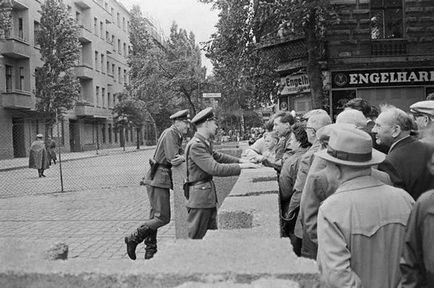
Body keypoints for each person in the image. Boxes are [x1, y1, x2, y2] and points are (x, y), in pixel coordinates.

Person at [316, 126, 414, 288]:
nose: (326, 172)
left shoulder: (332, 209)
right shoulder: (404, 199)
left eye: (327, 166)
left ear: (337, 169)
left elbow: (337, 277)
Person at [299, 111, 392, 259]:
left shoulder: (321, 167)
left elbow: (307, 214)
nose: (370, 130)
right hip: (355, 254)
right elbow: (310, 220)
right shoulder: (321, 174)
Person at [124, 109, 190, 260]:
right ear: (177, 122)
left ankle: (150, 250)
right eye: (186, 123)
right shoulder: (171, 134)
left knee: (154, 216)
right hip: (159, 179)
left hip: (160, 178)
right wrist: (187, 156)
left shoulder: (175, 134)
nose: (188, 126)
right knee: (162, 218)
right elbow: (173, 159)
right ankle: (133, 237)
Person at [185, 107, 258, 239]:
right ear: (207, 123)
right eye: (214, 122)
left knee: (210, 237)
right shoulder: (196, 145)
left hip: (206, 197)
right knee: (195, 239)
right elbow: (215, 168)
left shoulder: (203, 142)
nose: (217, 126)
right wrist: (242, 166)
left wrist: (241, 160)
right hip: (200, 199)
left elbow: (218, 156)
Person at [286, 109, 331, 255]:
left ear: (311, 132)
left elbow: (301, 192)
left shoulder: (309, 157)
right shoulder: (334, 149)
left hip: (313, 221)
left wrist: (289, 214)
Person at [373, 105, 434, 200]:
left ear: (396, 130)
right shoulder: (430, 148)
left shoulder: (389, 163)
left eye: (378, 126)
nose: (373, 130)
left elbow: (397, 202)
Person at [278, 123, 311, 237]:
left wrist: (289, 213)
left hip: (297, 211)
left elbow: (285, 191)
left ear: (299, 141)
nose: (290, 143)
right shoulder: (316, 154)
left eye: (292, 140)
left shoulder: (291, 162)